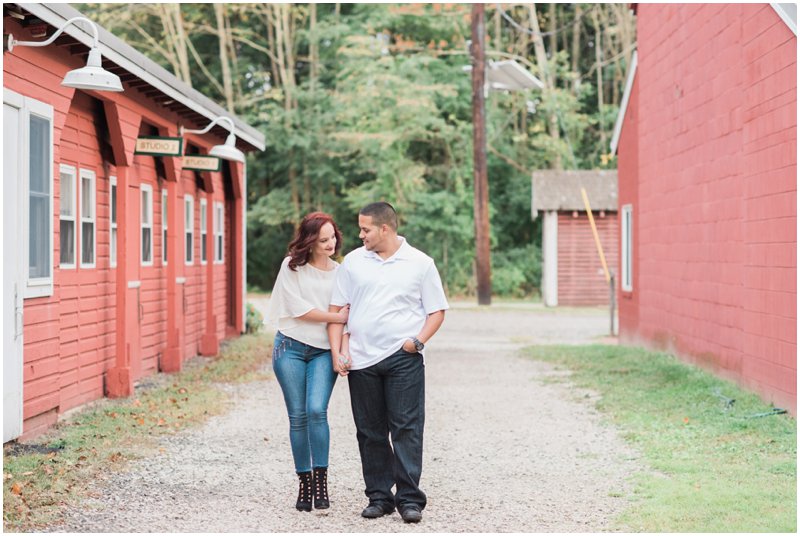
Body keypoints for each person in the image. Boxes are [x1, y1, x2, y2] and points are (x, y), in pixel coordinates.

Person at [327, 202, 448, 524]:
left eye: (365, 229)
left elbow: (437, 310)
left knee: (407, 428)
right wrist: (337, 352)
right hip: (361, 360)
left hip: (402, 358)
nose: (360, 234)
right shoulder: (352, 262)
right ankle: (379, 497)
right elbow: (338, 310)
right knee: (370, 431)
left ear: (385, 229)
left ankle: (410, 500)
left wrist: (417, 342)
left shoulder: (420, 263)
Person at [267, 212, 350, 512]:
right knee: (297, 416)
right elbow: (298, 310)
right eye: (323, 239)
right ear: (310, 241)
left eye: (333, 237)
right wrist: (334, 316)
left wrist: (341, 351)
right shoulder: (291, 266)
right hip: (289, 346)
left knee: (317, 410)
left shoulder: (341, 273)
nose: (331, 244)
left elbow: (347, 318)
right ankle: (304, 483)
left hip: (321, 351)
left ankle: (321, 480)